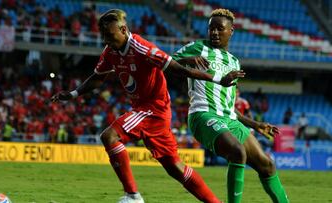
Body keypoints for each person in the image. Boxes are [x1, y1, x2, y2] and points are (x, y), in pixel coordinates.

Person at [51, 9, 244, 203]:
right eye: (103, 36)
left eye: (109, 35)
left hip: (153, 108)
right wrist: (74, 93)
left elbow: (178, 69)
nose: (106, 40)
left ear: (123, 29)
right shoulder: (111, 51)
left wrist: (218, 79)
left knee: (109, 136)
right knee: (175, 168)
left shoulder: (142, 48)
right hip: (149, 111)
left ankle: (133, 196)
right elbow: (98, 77)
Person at [173, 8, 289, 203]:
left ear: (231, 31)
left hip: (228, 118)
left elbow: (229, 107)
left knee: (267, 164)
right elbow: (166, 63)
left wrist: (255, 124)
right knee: (237, 152)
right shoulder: (197, 47)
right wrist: (187, 60)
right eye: (211, 29)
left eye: (220, 29)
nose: (215, 33)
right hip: (203, 115)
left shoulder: (234, 62)